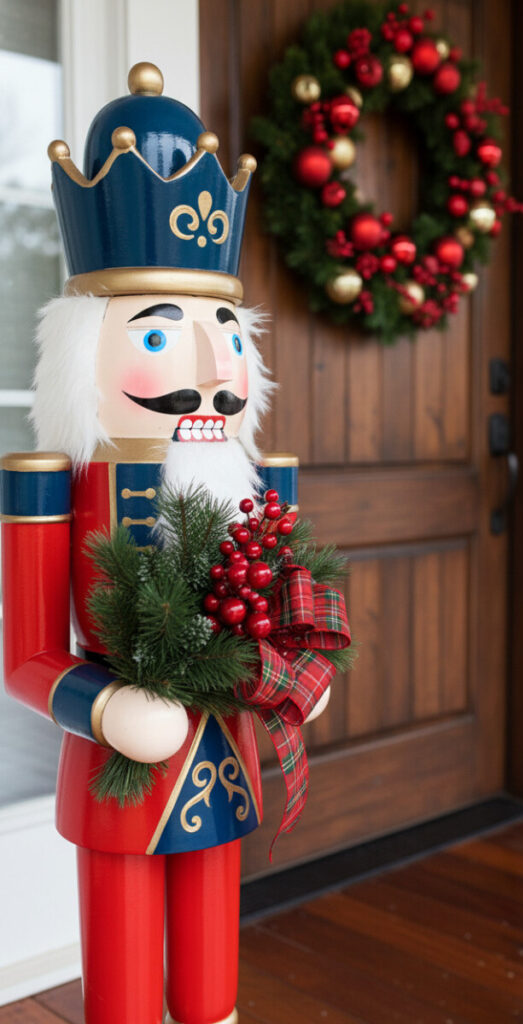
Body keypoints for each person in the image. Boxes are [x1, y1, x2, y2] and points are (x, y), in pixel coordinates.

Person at [0, 62, 327, 1024]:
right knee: (125, 974)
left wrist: (297, 660)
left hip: (223, 752)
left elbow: (290, 601)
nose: (205, 376)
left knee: (210, 972)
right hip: (121, 776)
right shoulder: (51, 489)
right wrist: (102, 706)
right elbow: (24, 656)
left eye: (222, 333)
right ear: (85, 349)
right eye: (156, 338)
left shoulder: (260, 485)